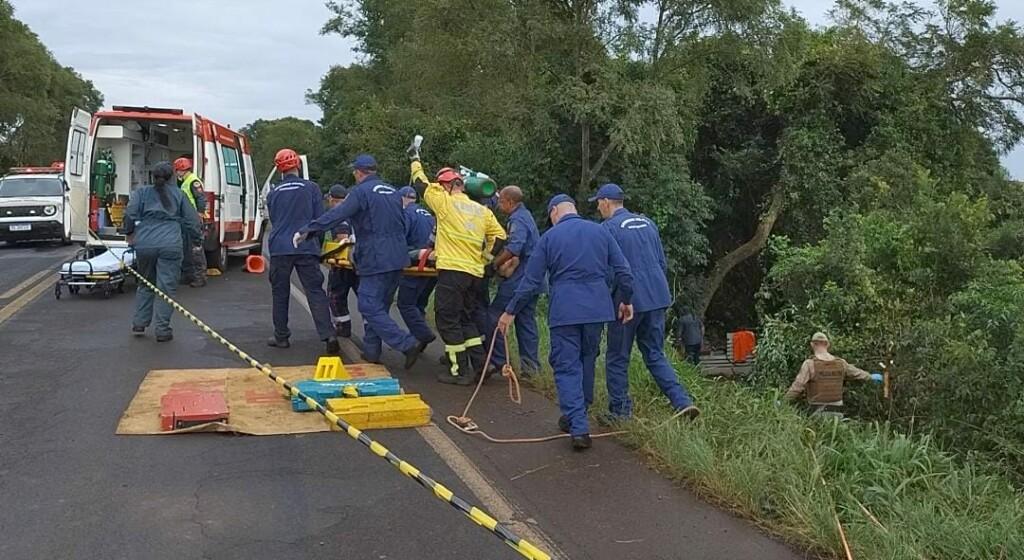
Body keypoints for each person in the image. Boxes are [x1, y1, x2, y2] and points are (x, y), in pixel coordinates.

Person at [498, 194, 634, 450]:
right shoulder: (601, 232)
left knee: (566, 365)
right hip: (597, 310)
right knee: (587, 360)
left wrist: (510, 311)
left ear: (554, 212)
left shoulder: (550, 237)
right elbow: (624, 272)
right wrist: (625, 300)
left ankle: (580, 429)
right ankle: (577, 412)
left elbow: (530, 281)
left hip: (565, 310)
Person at [297, 154, 423, 368]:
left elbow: (338, 214)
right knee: (379, 307)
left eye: (354, 172)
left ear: (359, 172)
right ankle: (372, 351)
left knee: (367, 304)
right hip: (398, 257)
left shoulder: (361, 192)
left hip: (376, 257)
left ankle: (407, 344)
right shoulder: (393, 191)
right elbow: (404, 222)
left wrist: (310, 229)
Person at [592, 183, 699, 421]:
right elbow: (661, 262)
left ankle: (620, 411)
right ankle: (682, 402)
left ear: (607, 202)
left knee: (618, 356)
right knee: (654, 353)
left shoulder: (607, 228)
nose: (598, 207)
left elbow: (610, 271)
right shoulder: (648, 223)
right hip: (657, 297)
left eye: (598, 202)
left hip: (627, 302)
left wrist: (609, 299)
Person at [411, 158, 506, 385]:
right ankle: (481, 364)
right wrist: (486, 260)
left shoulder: (444, 202)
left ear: (445, 185)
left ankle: (459, 371)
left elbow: (420, 182)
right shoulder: (481, 210)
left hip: (452, 272)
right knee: (465, 318)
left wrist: (415, 159)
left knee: (447, 320)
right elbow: (500, 237)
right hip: (474, 274)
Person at [264, 148, 339, 354]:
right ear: (297, 165)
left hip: (280, 247)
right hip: (306, 246)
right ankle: (328, 335)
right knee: (315, 291)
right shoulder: (312, 188)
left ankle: (281, 336)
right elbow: (319, 221)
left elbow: (275, 220)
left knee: (280, 292)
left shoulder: (273, 193)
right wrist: (318, 246)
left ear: (279, 169)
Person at [124, 161, 202, 342]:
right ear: (171, 177)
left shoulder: (141, 193)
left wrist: (129, 233)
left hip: (144, 243)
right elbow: (192, 222)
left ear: (153, 176)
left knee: (145, 282)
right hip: (170, 244)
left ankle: (139, 322)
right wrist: (196, 240)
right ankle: (162, 329)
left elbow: (130, 214)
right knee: (166, 287)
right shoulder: (179, 195)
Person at [488, 186, 541, 377]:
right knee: (526, 321)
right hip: (535, 278)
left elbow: (515, 247)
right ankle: (531, 369)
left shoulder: (518, 219)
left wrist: (494, 265)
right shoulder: (527, 216)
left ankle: (499, 362)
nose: (499, 205)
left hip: (521, 279)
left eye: (501, 202)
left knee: (494, 316)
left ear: (510, 202)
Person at [784, 332, 882, 405]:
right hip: (837, 411)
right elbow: (857, 373)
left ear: (812, 345)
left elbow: (797, 387)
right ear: (828, 344)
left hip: (817, 410)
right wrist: (871, 376)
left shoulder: (810, 364)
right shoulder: (841, 363)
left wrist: (783, 402)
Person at [396, 185, 437, 347]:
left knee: (405, 303)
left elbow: (400, 239)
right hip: (433, 266)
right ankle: (417, 340)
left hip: (415, 266)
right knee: (419, 303)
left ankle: (424, 334)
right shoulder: (429, 215)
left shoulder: (406, 214)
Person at [324, 184, 359, 338]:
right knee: (364, 298)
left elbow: (343, 238)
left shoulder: (339, 213)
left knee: (335, 296)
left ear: (331, 198)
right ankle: (372, 329)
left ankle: (343, 327)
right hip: (359, 261)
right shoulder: (354, 210)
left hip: (343, 264)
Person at [173, 157, 207, 288]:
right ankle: (188, 275)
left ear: (182, 170)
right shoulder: (184, 182)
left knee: (195, 248)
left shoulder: (193, 181)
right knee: (186, 248)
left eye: (177, 171)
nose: (177, 173)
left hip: (192, 219)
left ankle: (200, 276)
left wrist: (199, 216)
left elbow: (200, 199)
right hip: (185, 219)